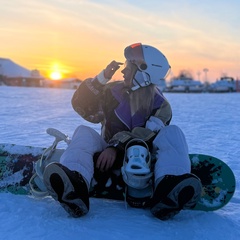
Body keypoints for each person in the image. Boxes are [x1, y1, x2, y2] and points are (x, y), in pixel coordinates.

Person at [43, 43, 202, 220]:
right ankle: (74, 186)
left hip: (141, 159)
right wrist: (101, 78)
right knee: (83, 132)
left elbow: (147, 134)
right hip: (105, 157)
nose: (123, 72)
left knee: (173, 133)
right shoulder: (112, 91)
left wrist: (116, 146)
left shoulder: (160, 105)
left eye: (128, 67)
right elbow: (82, 106)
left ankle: (169, 190)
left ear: (144, 73)